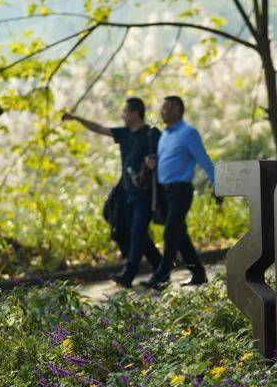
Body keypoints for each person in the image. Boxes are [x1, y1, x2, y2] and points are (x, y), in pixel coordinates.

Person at [62, 98, 163, 287]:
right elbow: (99, 128)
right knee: (138, 233)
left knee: (137, 233)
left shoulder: (151, 134)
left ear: (134, 113)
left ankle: (128, 274)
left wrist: (154, 160)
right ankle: (160, 268)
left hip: (146, 194)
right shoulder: (124, 133)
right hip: (127, 193)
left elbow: (164, 154)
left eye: (125, 111)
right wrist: (76, 118)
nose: (122, 115)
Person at [140, 95, 216, 289]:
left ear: (176, 109)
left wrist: (218, 184)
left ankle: (161, 274)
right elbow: (164, 160)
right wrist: (152, 162)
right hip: (165, 192)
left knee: (171, 232)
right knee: (180, 235)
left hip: (181, 190)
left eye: (165, 108)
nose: (161, 111)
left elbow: (204, 160)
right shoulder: (165, 134)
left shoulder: (188, 133)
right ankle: (198, 274)